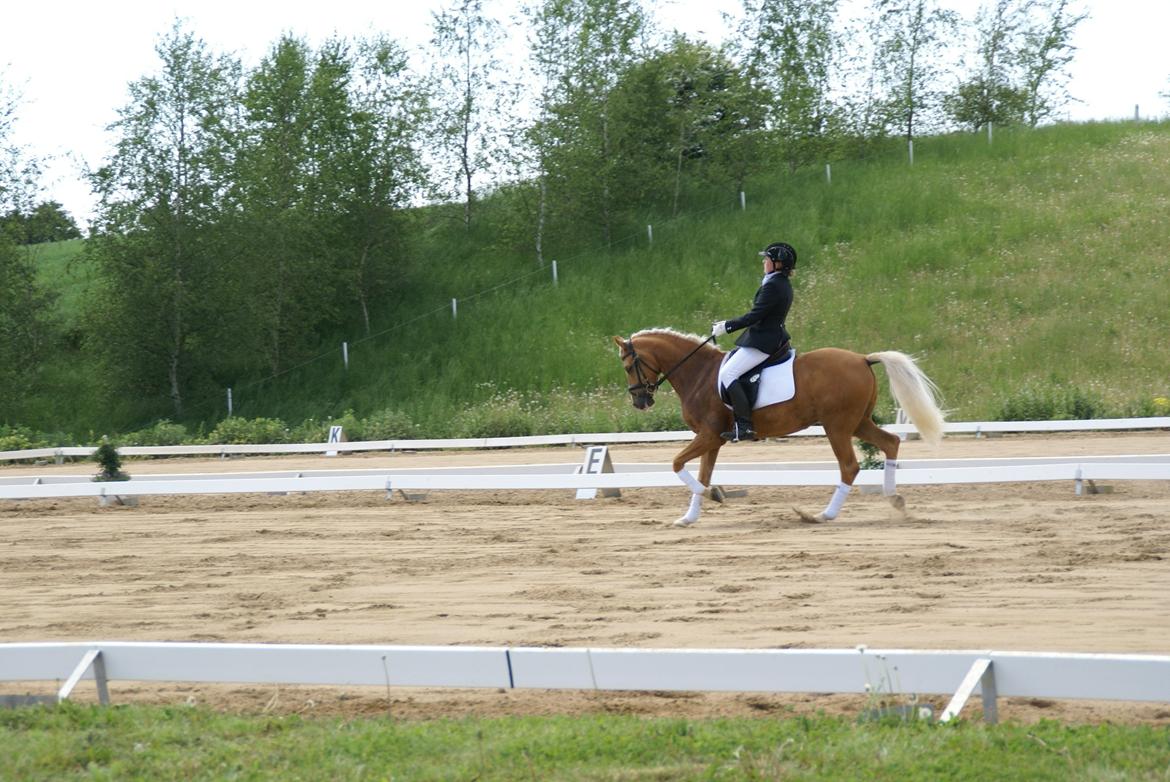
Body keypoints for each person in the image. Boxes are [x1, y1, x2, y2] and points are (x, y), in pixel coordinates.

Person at [711, 241, 797, 442]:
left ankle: (744, 426)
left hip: (764, 340)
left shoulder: (774, 286)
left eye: (767, 259)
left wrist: (727, 326)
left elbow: (755, 316)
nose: (764, 262)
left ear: (778, 264)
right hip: (770, 336)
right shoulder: (779, 283)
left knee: (728, 373)